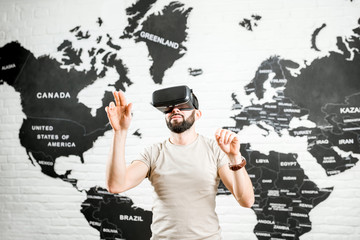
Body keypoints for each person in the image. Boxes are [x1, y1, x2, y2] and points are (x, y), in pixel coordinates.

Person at [105, 87, 254, 240]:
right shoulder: (153, 153)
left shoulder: (214, 150)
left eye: (183, 106)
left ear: (197, 114)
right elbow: (116, 185)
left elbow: (246, 200)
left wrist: (235, 157)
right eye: (169, 108)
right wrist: (120, 132)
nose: (175, 110)